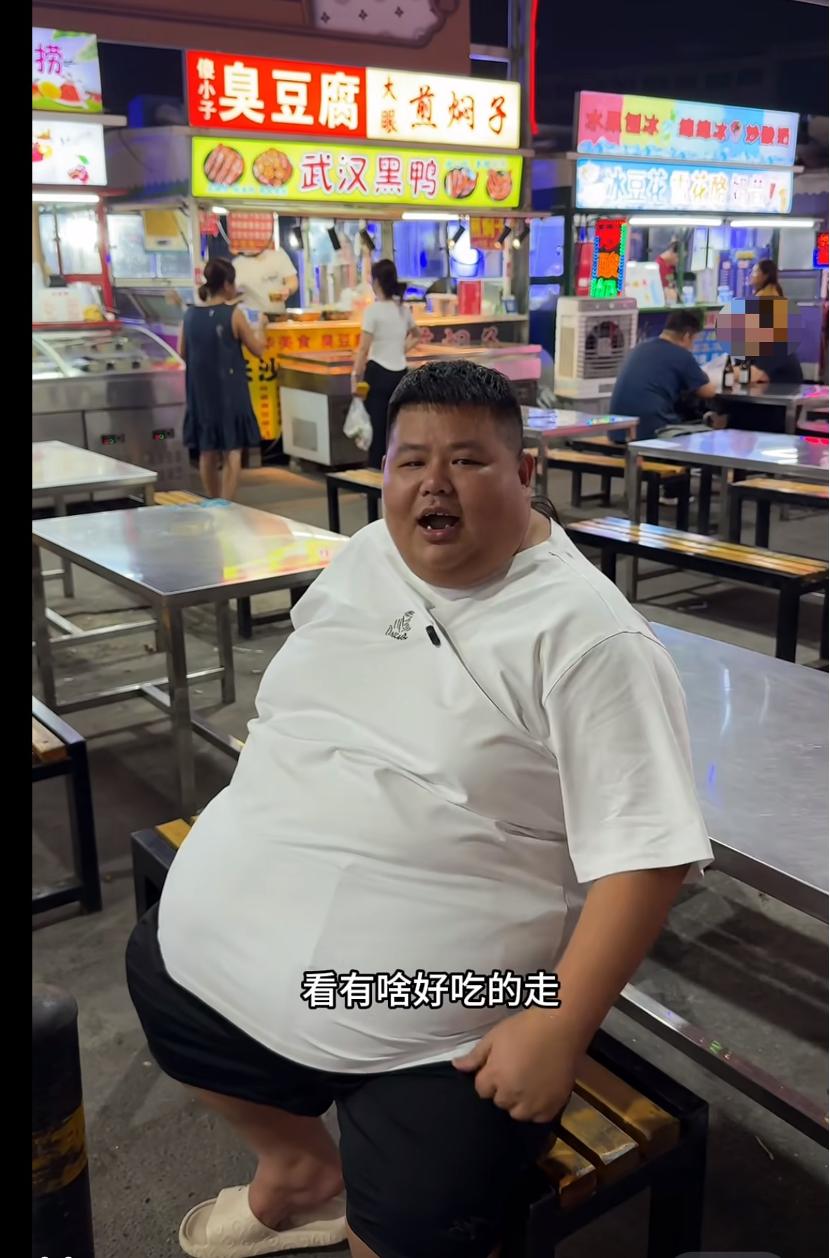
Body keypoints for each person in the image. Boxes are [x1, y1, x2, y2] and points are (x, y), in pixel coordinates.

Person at [126, 359, 712, 1258]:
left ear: (525, 474)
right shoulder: (368, 555)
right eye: (411, 463)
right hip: (240, 946)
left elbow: (650, 854)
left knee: (409, 1228)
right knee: (158, 966)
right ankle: (299, 1169)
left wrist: (561, 1023)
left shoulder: (590, 638)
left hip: (458, 997)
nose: (435, 484)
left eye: (468, 461)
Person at [179, 258, 266, 501]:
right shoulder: (234, 314)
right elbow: (258, 349)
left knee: (207, 450)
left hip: (201, 392)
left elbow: (182, 352)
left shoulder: (189, 315)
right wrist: (262, 327)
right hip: (230, 391)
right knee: (232, 449)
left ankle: (214, 500)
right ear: (227, 284)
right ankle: (226, 504)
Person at [609, 309, 718, 442]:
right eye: (694, 341)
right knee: (710, 432)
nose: (692, 347)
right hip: (651, 433)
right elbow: (708, 392)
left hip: (618, 432)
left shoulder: (640, 348)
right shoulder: (681, 354)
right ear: (686, 336)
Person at [352, 258, 421, 469]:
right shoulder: (402, 310)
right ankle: (398, 472)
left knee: (377, 429)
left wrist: (355, 376)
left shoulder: (373, 311)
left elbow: (363, 349)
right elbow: (417, 335)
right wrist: (400, 350)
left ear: (376, 282)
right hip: (400, 375)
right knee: (396, 429)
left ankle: (376, 474)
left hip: (377, 374)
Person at [233, 243, 299, 315]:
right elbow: (229, 298)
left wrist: (287, 289)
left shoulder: (277, 253)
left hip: (277, 315)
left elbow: (292, 281)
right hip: (249, 318)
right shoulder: (236, 264)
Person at [656, 239, 680, 303]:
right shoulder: (658, 267)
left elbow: (671, 284)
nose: (678, 261)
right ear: (671, 251)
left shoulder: (671, 266)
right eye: (678, 257)